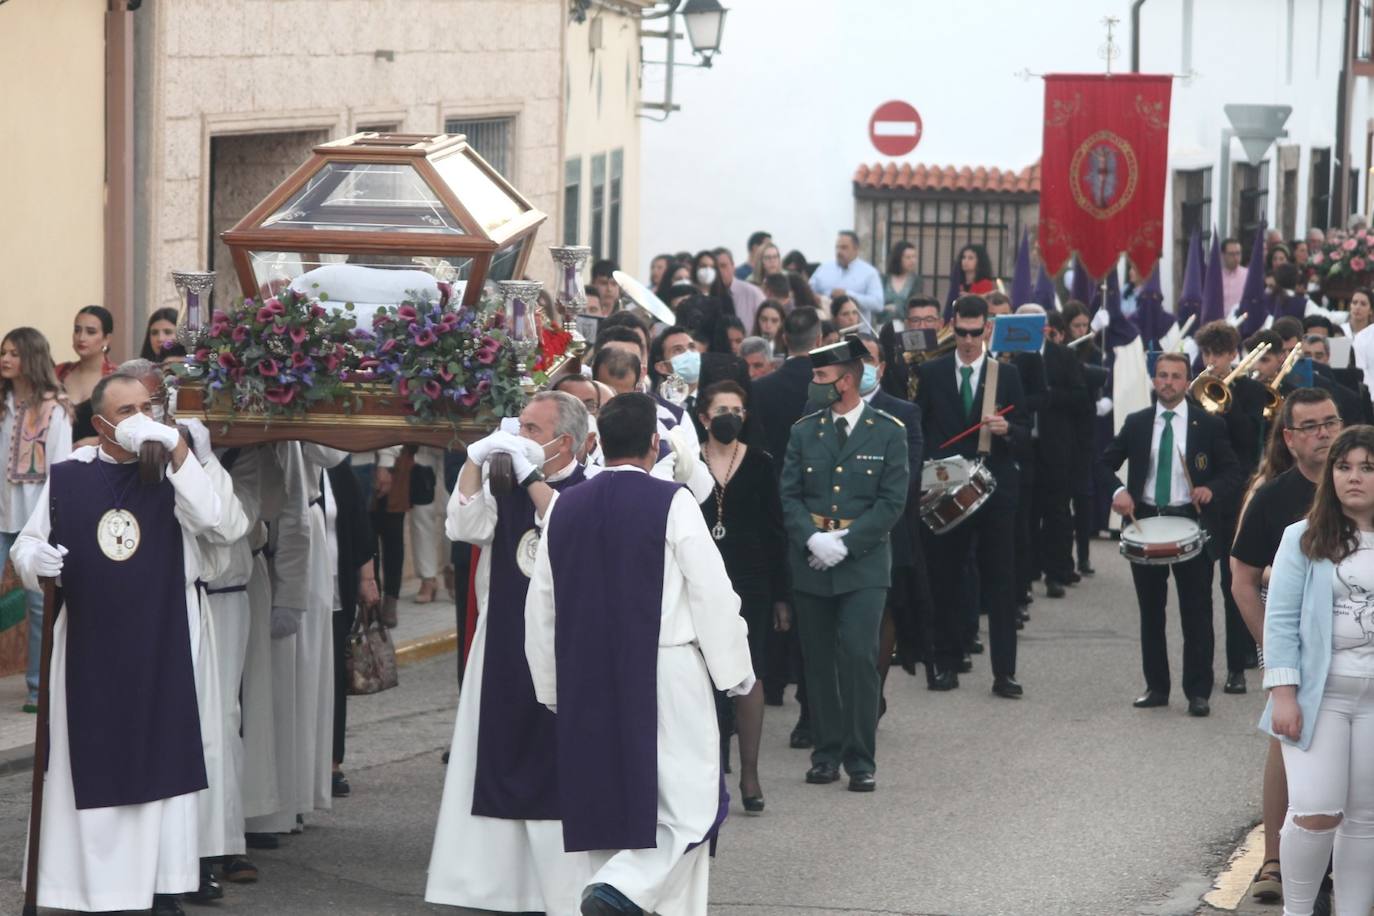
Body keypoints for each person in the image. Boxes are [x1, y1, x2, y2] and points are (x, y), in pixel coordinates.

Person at [12, 371, 234, 915]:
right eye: (127, 411)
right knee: (86, 757)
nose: (141, 419)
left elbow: (217, 520)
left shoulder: (173, 474)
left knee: (162, 757)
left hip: (163, 641)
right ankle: (89, 889)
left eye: (147, 407)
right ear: (101, 424)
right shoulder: (70, 476)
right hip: (89, 644)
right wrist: (32, 562)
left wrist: (179, 450)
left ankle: (161, 887)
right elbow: (26, 546)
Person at [525, 392, 754, 916]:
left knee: (609, 809)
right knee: (694, 806)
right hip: (666, 667)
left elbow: (542, 607)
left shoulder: (563, 506)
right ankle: (624, 888)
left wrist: (551, 687)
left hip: (587, 673)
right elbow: (712, 591)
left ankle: (613, 888)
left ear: (599, 444)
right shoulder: (671, 500)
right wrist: (735, 672)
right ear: (655, 443)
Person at [428, 393, 594, 915]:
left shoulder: (587, 489)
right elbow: (464, 528)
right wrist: (474, 463)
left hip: (562, 652)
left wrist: (529, 478)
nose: (517, 437)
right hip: (500, 641)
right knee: (495, 753)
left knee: (553, 768)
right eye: (518, 426)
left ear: (562, 442)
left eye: (530, 428)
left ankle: (560, 893)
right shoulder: (504, 483)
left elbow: (568, 531)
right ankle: (493, 888)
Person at [780, 337, 908, 791]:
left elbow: (892, 501)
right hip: (813, 558)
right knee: (817, 662)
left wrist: (847, 542)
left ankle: (860, 757)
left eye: (821, 377)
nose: (814, 384)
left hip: (864, 564)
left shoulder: (889, 431)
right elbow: (789, 494)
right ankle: (825, 753)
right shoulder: (803, 431)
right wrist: (812, 537)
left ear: (847, 381)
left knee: (857, 655)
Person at [1231, 387, 1341, 906]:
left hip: (1355, 643)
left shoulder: (1361, 484)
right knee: (1287, 743)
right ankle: (1274, 859)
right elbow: (1242, 579)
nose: (1325, 433)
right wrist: (1276, 657)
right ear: (1291, 439)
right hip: (1290, 646)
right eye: (1313, 426)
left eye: (1331, 422)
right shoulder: (1273, 497)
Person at [1262, 424, 1374, 916]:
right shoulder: (1302, 538)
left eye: (1368, 468)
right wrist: (1283, 693)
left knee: (1366, 820)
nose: (1355, 477)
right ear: (1330, 476)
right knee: (1313, 811)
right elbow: (1280, 619)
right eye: (1344, 467)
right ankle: (1298, 910)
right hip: (1318, 697)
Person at [1104, 352, 1242, 716]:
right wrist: (1117, 492)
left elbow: (1232, 471)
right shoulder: (1136, 423)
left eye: (1176, 376)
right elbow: (1103, 463)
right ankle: (1156, 686)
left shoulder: (1207, 425)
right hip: (1145, 522)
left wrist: (1211, 488)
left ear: (1187, 382)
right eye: (1162, 375)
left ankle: (1198, 691)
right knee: (1151, 611)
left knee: (1196, 611)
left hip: (1190, 522)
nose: (1168, 382)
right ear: (1154, 380)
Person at [916, 295, 1030, 696]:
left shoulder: (1006, 375)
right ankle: (946, 662)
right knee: (946, 578)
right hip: (947, 490)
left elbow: (1027, 431)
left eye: (975, 332)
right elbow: (920, 429)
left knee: (1001, 582)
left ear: (987, 329)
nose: (967, 341)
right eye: (961, 332)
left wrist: (1008, 430)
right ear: (952, 326)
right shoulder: (931, 374)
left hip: (995, 489)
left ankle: (1004, 673)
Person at [696, 381, 788, 813]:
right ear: (703, 417)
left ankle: (749, 773)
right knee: (703, 678)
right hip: (698, 581)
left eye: (736, 408)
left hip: (751, 581)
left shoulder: (761, 464)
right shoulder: (686, 463)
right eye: (720, 409)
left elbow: (776, 533)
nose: (729, 415)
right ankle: (711, 775)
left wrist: (782, 596)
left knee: (749, 674)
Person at [750, 307, 823, 733]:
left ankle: (772, 681)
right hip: (814, 505)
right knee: (807, 605)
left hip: (773, 500)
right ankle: (809, 712)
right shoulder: (824, 388)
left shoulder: (763, 389)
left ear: (783, 342)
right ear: (818, 339)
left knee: (776, 596)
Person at [0, 327, 72, 712]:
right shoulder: (2, 403)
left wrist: (51, 521)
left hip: (34, 521)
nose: (6, 359)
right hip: (0, 517)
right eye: (3, 352)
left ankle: (37, 687)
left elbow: (59, 470)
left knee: (39, 605)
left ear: (31, 356)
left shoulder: (54, 408)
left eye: (13, 352)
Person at [1194, 321, 1268, 695]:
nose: (1212, 361)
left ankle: (1237, 665)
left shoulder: (1249, 390)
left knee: (1234, 581)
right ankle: (1202, 671)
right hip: (1208, 495)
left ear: (1232, 354)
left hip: (1239, 496)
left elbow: (1253, 441)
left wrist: (1227, 409)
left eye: (1219, 354)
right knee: (1200, 583)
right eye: (1207, 354)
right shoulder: (1196, 389)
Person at [56, 305, 117, 447]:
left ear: (106, 339)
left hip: (98, 462)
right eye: (77, 330)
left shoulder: (117, 378)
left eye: (91, 332)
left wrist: (99, 441)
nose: (81, 337)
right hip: (57, 459)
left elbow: (129, 426)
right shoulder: (59, 372)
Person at [808, 232, 883, 326]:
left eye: (844, 247)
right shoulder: (824, 268)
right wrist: (817, 298)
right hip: (828, 334)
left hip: (858, 334)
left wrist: (848, 294)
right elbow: (808, 291)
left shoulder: (869, 273)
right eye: (837, 247)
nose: (839, 251)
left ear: (856, 249)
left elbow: (878, 304)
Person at [715, 247, 765, 331]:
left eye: (723, 266)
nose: (719, 271)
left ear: (733, 266)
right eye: (715, 268)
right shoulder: (705, 296)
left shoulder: (753, 294)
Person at [882, 241, 921, 324]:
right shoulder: (884, 279)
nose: (912, 261)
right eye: (908, 257)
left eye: (914, 257)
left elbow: (914, 305)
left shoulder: (916, 281)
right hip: (883, 325)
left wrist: (895, 308)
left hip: (905, 325)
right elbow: (877, 305)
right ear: (898, 258)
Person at [1221, 237, 1248, 310]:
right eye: (1231, 254)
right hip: (1220, 320)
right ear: (1223, 255)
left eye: (1238, 253)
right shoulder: (1216, 277)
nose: (1235, 257)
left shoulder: (1248, 275)